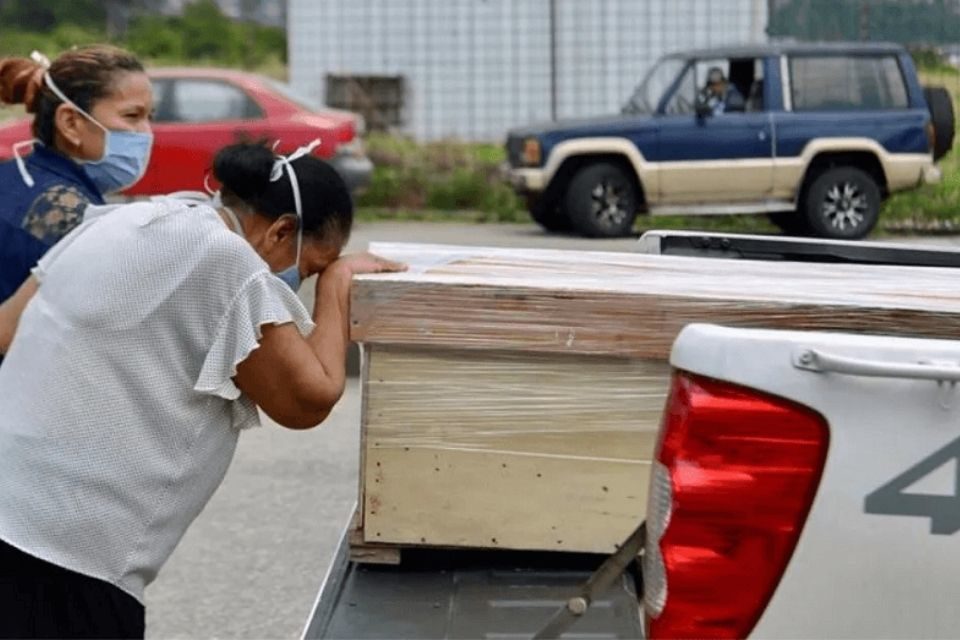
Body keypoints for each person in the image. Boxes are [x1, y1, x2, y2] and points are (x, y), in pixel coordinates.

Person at [0, 140, 405, 639]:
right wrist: (337, 286)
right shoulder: (227, 262)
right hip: (68, 554)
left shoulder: (123, 220)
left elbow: (6, 327)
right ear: (282, 231)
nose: (298, 282)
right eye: (309, 267)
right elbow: (308, 399)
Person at [0, 45, 153, 307]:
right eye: (132, 116)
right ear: (70, 123)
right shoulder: (74, 217)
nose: (147, 132)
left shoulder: (13, 174)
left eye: (150, 116)